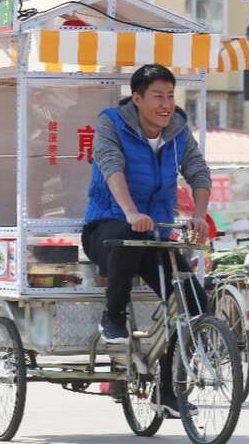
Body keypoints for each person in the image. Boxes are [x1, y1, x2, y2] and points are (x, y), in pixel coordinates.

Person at [81, 64, 209, 417]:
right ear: (137, 99)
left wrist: (199, 214)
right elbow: (111, 166)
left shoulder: (178, 130)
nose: (166, 104)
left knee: (193, 301)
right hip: (106, 228)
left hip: (155, 236)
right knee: (127, 237)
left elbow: (198, 171)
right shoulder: (112, 123)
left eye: (170, 96)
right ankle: (113, 317)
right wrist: (130, 211)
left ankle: (167, 389)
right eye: (157, 96)